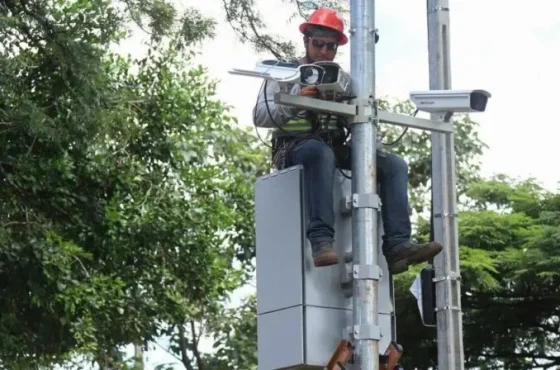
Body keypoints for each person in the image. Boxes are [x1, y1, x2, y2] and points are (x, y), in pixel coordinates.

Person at [252, 7, 443, 275]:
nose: (323, 52)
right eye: (318, 44)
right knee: (320, 153)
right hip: (294, 147)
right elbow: (260, 115)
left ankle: (397, 245)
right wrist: (297, 98)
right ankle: (320, 241)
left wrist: (358, 125)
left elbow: (361, 122)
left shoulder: (343, 81)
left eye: (330, 47)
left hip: (331, 146)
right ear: (306, 41)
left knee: (394, 165)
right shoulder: (284, 74)